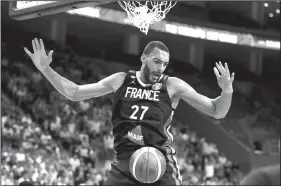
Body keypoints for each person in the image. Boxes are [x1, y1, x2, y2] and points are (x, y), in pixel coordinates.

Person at [24, 38, 235, 185]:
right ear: (144, 58)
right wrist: (45, 69)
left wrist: (227, 90)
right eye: (157, 61)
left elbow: (217, 111)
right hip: (126, 162)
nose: (161, 68)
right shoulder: (120, 80)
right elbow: (75, 92)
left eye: (165, 64)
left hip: (161, 163)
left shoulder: (172, 86)